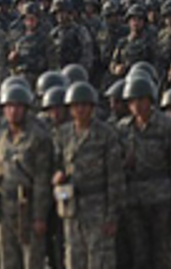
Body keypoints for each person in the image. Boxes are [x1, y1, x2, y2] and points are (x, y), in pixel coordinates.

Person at [117, 77, 171, 269]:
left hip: (162, 202)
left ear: (151, 101)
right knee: (139, 256)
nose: (137, 105)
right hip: (133, 202)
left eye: (142, 100)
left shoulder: (168, 127)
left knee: (163, 256)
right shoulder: (122, 129)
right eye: (132, 101)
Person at [53, 82, 124, 269]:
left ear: (92, 108)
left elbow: (115, 177)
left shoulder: (106, 134)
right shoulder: (63, 134)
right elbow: (54, 164)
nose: (80, 110)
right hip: (71, 204)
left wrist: (112, 215)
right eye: (76, 106)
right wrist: (57, 176)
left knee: (100, 259)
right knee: (73, 258)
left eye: (85, 105)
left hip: (98, 205)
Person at [0, 83, 52, 269]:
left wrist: (40, 216)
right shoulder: (0, 138)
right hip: (5, 206)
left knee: (32, 260)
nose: (13, 111)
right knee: (7, 261)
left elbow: (42, 180)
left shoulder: (37, 138)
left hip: (28, 206)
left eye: (17, 106)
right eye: (9, 107)